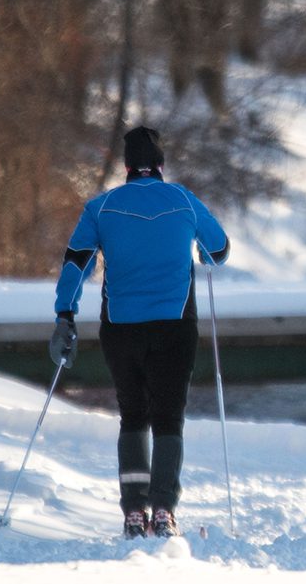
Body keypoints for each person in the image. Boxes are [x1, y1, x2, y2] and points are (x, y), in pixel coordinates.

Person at [51, 126, 229, 539]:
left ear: (127, 166)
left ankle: (134, 513)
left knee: (133, 414)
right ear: (161, 165)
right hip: (175, 326)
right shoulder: (183, 199)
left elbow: (76, 263)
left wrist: (65, 315)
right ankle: (164, 511)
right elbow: (218, 250)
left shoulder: (101, 207)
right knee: (169, 417)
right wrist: (199, 248)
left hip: (121, 328)